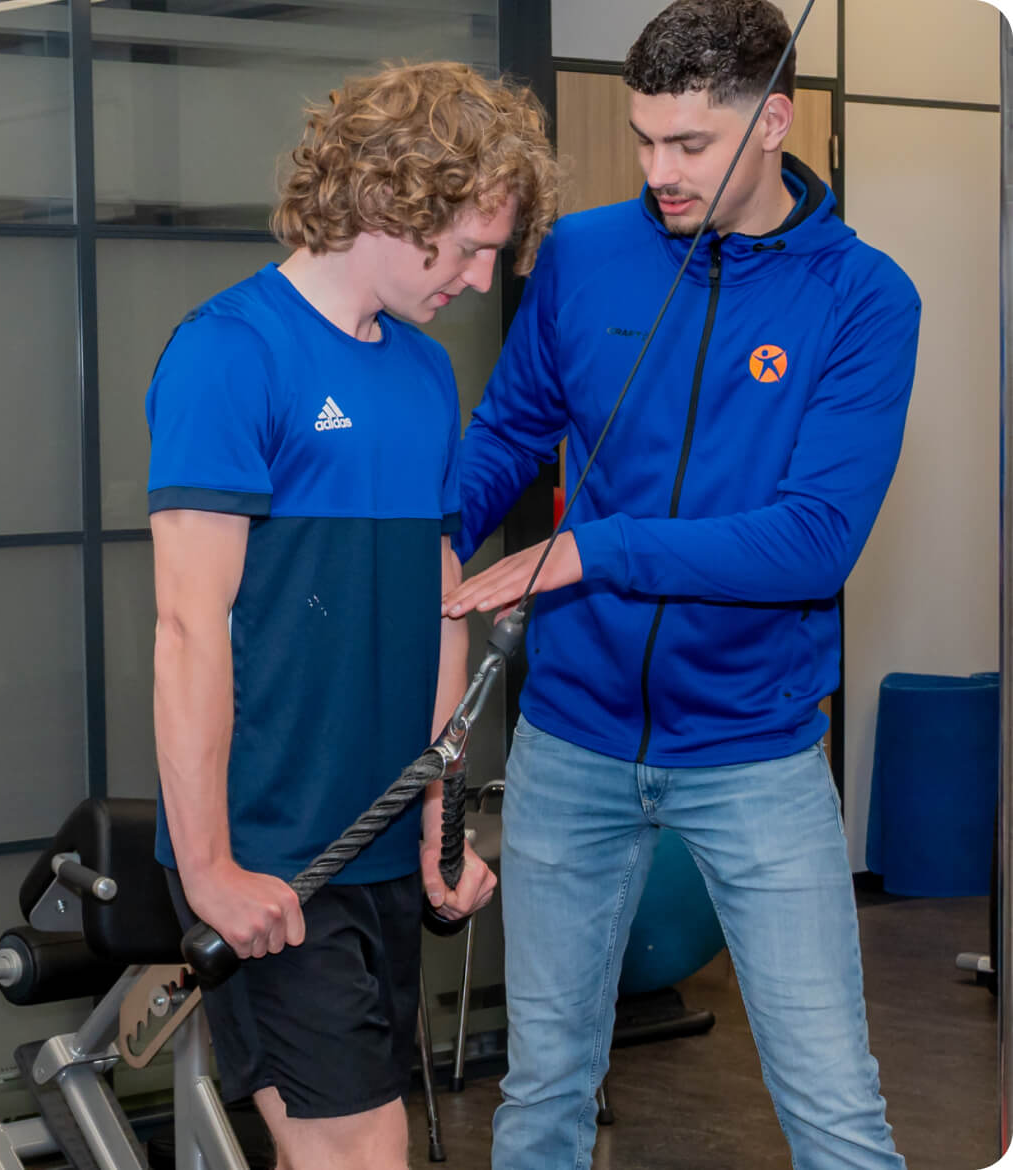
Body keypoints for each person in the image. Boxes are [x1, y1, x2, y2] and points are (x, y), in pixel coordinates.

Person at [441, 3, 921, 1168]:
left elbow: (811, 541)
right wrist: (414, 544)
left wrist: (598, 551)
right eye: (644, 138)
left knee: (835, 1111)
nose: (658, 170)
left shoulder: (864, 300)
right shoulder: (588, 257)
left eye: (689, 145)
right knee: (543, 1088)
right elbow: (508, 434)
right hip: (570, 739)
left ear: (774, 121)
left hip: (755, 752)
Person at [145, 61, 558, 1170]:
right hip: (276, 861)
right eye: (468, 247)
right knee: (361, 1154)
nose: (479, 282)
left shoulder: (424, 375)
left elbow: (438, 612)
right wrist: (211, 871)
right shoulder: (232, 354)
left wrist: (439, 819)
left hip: (377, 848)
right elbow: (186, 630)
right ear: (391, 200)